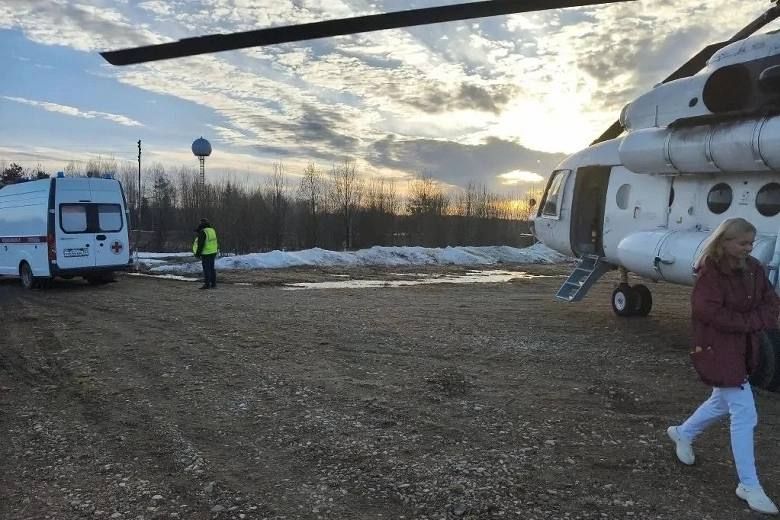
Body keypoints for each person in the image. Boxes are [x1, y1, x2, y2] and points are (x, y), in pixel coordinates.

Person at [667, 217, 779, 515]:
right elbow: (707, 311)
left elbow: (770, 302)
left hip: (742, 346)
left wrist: (754, 321)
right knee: (745, 412)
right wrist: (751, 322)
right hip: (717, 348)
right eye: (743, 242)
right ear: (725, 241)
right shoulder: (711, 272)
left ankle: (683, 433)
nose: (748, 248)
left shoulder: (754, 268)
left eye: (750, 242)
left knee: (721, 401)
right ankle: (749, 484)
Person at [193, 218, 218, 289]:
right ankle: (213, 284)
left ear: (201, 224)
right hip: (213, 252)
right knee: (212, 268)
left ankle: (207, 284)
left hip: (206, 253)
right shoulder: (212, 230)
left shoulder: (203, 232)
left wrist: (197, 254)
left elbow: (200, 244)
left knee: (206, 269)